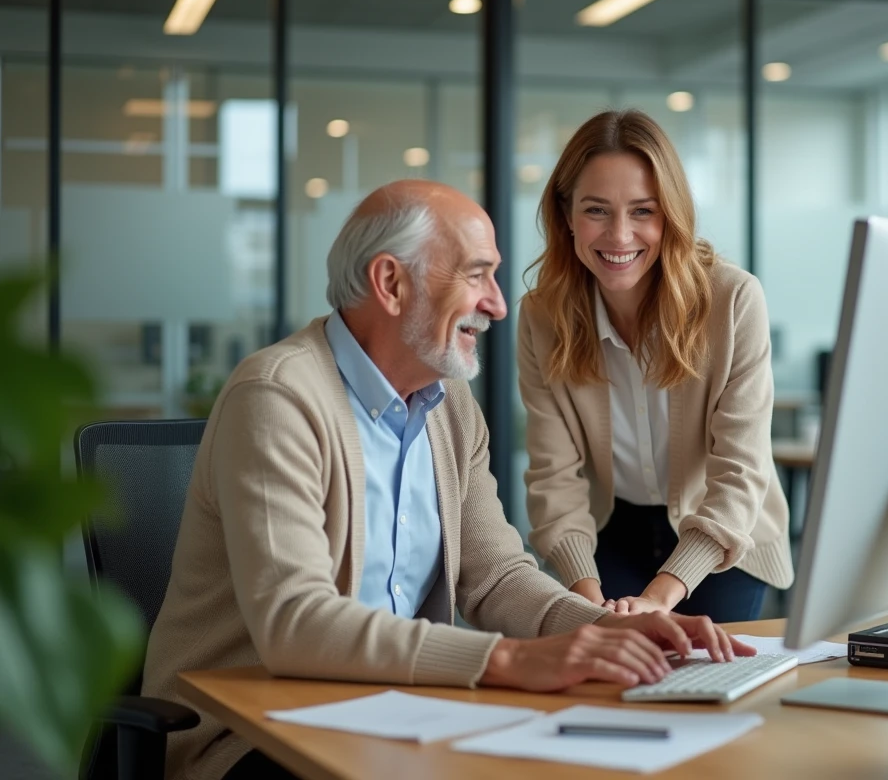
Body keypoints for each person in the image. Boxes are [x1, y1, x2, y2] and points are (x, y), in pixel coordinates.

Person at [141, 180, 752, 780]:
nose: (497, 303)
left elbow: (498, 577)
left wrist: (608, 629)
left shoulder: (450, 407)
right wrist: (512, 660)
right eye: (475, 274)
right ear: (391, 283)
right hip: (249, 734)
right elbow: (296, 623)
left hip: (392, 715)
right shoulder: (278, 396)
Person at [518, 110, 794, 623]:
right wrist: (586, 597)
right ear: (566, 216)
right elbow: (553, 476)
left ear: (672, 214)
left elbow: (741, 471)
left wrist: (661, 596)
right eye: (596, 210)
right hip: (608, 532)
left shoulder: (732, 300)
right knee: (607, 682)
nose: (619, 236)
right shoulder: (542, 316)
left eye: (643, 210)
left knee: (708, 685)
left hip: (724, 537)